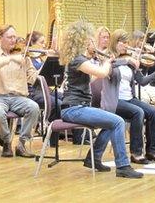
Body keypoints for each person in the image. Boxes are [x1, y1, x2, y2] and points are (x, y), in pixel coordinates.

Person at [59, 20, 143, 178]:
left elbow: (90, 78)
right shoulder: (78, 59)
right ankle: (123, 166)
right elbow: (102, 74)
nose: (93, 43)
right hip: (74, 108)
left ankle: (93, 158)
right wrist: (105, 63)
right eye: (91, 40)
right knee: (118, 121)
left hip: (77, 107)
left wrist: (106, 63)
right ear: (84, 40)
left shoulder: (78, 59)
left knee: (111, 123)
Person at [102, 29, 155, 163]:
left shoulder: (130, 61)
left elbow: (142, 82)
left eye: (127, 42)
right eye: (122, 42)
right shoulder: (107, 58)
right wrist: (127, 60)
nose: (125, 45)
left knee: (152, 112)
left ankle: (153, 151)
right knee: (138, 112)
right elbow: (109, 66)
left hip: (129, 99)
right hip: (114, 101)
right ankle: (136, 153)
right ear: (115, 42)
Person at [0, 25, 40, 157]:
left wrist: (38, 72)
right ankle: (7, 141)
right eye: (10, 37)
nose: (13, 40)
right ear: (0, 38)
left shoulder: (22, 55)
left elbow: (31, 76)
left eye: (14, 37)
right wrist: (9, 59)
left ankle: (21, 144)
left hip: (18, 97)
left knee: (34, 108)